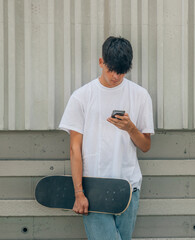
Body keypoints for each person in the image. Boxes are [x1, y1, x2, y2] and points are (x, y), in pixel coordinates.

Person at [59, 36, 154, 240]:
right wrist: (79, 193)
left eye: (121, 71)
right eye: (111, 69)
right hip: (94, 188)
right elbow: (75, 149)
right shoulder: (82, 96)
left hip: (128, 187)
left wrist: (130, 128)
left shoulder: (140, 95)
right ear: (101, 62)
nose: (115, 76)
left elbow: (145, 145)